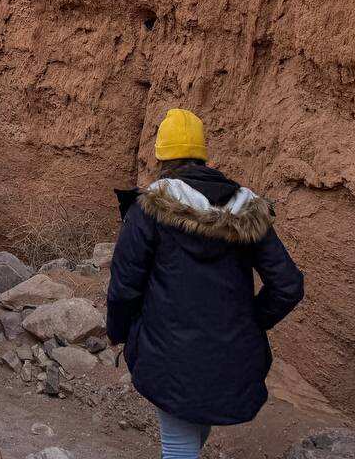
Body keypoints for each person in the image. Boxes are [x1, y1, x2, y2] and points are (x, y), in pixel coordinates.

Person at [107, 108, 305, 459]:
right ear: (202, 154)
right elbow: (288, 285)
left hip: (170, 353)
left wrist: (120, 333)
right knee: (190, 431)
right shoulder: (246, 209)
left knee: (178, 444)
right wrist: (250, 322)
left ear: (161, 155)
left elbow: (124, 286)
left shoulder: (149, 209)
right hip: (229, 354)